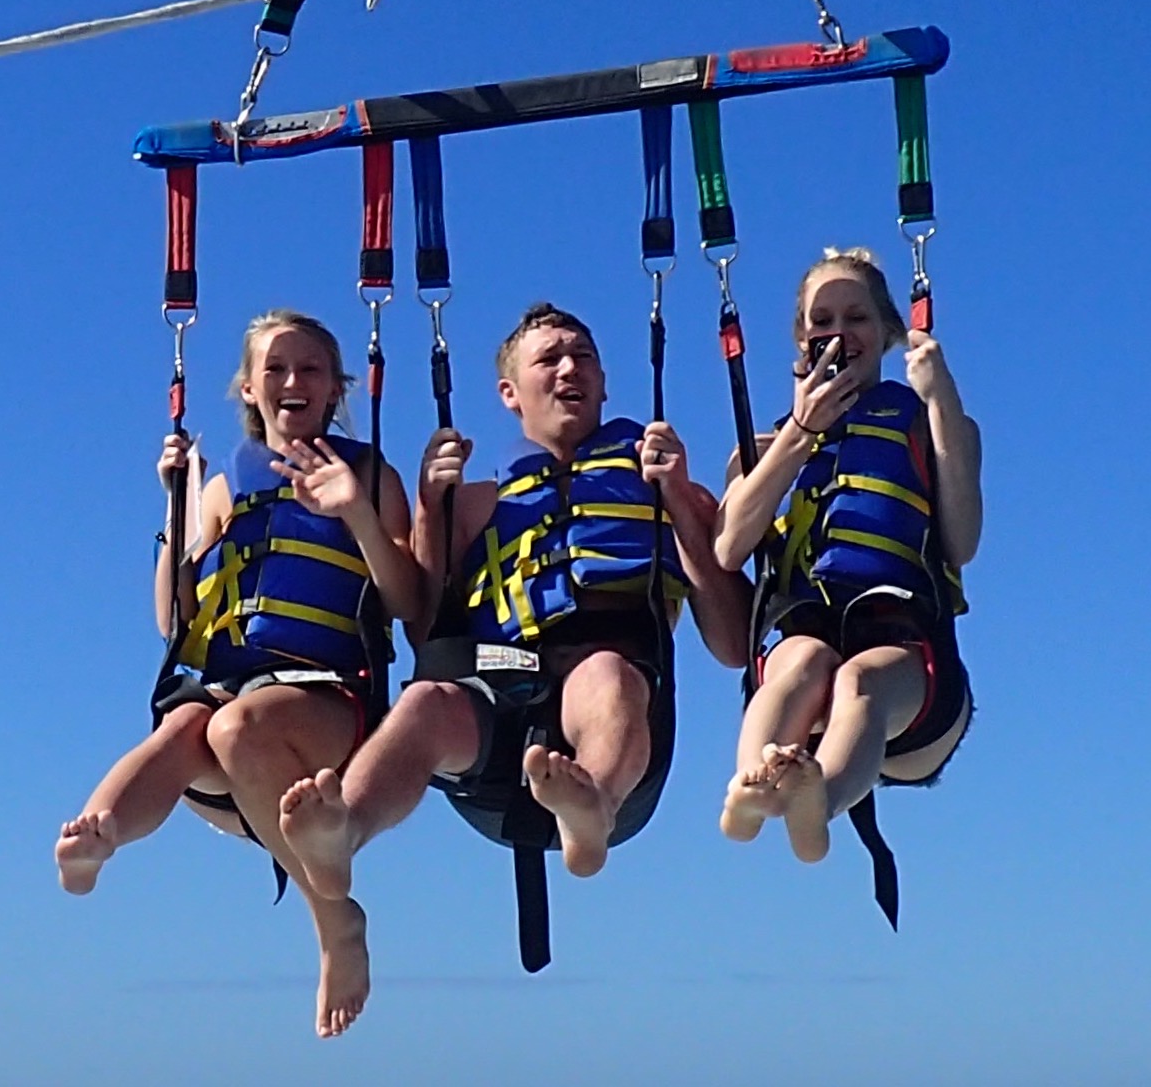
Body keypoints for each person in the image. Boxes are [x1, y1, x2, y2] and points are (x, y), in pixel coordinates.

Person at [279, 303, 747, 907]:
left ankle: (592, 809)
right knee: (423, 701)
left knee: (605, 673)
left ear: (604, 384)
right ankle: (343, 832)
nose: (567, 368)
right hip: (494, 726)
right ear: (510, 392)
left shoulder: (668, 491)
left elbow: (733, 646)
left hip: (619, 734)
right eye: (548, 358)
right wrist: (428, 511)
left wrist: (680, 501)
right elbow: (427, 638)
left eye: (582, 357)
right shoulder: (471, 504)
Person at [53, 310, 419, 1039]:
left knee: (233, 723)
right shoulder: (225, 485)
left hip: (325, 714)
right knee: (190, 722)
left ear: (336, 387)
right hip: (228, 722)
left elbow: (412, 601)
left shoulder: (371, 474)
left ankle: (331, 923)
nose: (292, 381)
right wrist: (179, 503)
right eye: (275, 368)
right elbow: (174, 620)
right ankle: (98, 837)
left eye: (310, 368)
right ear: (248, 388)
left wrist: (355, 513)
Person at [713, 248, 983, 867]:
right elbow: (730, 546)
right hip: (805, 655)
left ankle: (818, 803)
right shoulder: (762, 447)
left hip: (908, 671)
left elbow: (962, 541)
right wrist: (800, 433)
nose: (838, 334)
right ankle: (751, 787)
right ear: (802, 339)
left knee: (857, 679)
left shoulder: (935, 424)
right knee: (804, 660)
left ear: (889, 331)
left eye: (856, 318)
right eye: (822, 320)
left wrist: (940, 398)